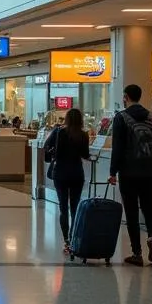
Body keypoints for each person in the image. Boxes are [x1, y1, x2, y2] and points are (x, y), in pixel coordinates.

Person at [108, 83, 152, 266]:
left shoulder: (121, 118)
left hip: (128, 171)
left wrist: (113, 172)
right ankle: (151, 238)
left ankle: (137, 253)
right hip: (149, 170)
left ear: (125, 97)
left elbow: (117, 147)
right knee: (148, 209)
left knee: (132, 212)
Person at [44, 107, 91, 254]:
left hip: (61, 173)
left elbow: (47, 147)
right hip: (77, 173)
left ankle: (67, 241)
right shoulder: (83, 135)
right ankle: (75, 237)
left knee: (63, 208)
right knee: (75, 207)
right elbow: (85, 154)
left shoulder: (59, 132)